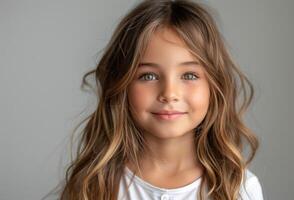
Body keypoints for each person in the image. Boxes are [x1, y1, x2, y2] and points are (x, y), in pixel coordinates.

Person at [59, 0, 263, 199]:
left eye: (189, 75)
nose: (169, 93)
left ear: (214, 86)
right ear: (122, 85)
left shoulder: (239, 189)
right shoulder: (92, 185)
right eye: (148, 76)